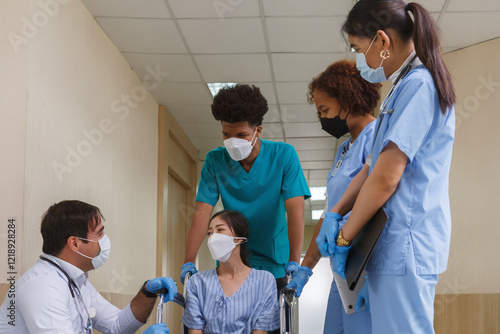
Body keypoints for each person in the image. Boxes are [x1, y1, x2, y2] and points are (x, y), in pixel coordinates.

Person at [317, 1, 456, 333]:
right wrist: (334, 214)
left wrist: (344, 238)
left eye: (357, 48)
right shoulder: (400, 90)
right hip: (387, 249)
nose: (357, 58)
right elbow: (371, 166)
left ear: (382, 41)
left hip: (405, 245)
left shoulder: (420, 86)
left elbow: (386, 178)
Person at [181, 84, 311, 292]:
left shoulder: (283, 155)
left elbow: (296, 211)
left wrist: (295, 262)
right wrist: (188, 263)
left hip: (274, 261)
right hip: (232, 258)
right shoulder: (215, 161)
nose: (232, 142)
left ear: (257, 131)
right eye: (226, 135)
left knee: (269, 322)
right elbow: (202, 212)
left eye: (241, 135)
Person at [285, 59, 381, 333]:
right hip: (343, 270)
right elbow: (331, 215)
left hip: (365, 263)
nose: (322, 118)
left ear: (348, 101)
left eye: (324, 109)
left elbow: (378, 196)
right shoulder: (343, 150)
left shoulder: (377, 135)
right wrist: (305, 270)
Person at [0, 200, 177, 334]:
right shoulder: (43, 287)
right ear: (75, 243)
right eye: (99, 233)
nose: (105, 239)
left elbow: (117, 325)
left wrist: (148, 291)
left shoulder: (76, 280)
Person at [181, 210, 280, 333]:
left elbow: (261, 330)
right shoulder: (198, 282)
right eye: (209, 233)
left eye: (220, 230)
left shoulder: (265, 281)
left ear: (238, 239)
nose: (212, 238)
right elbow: (195, 330)